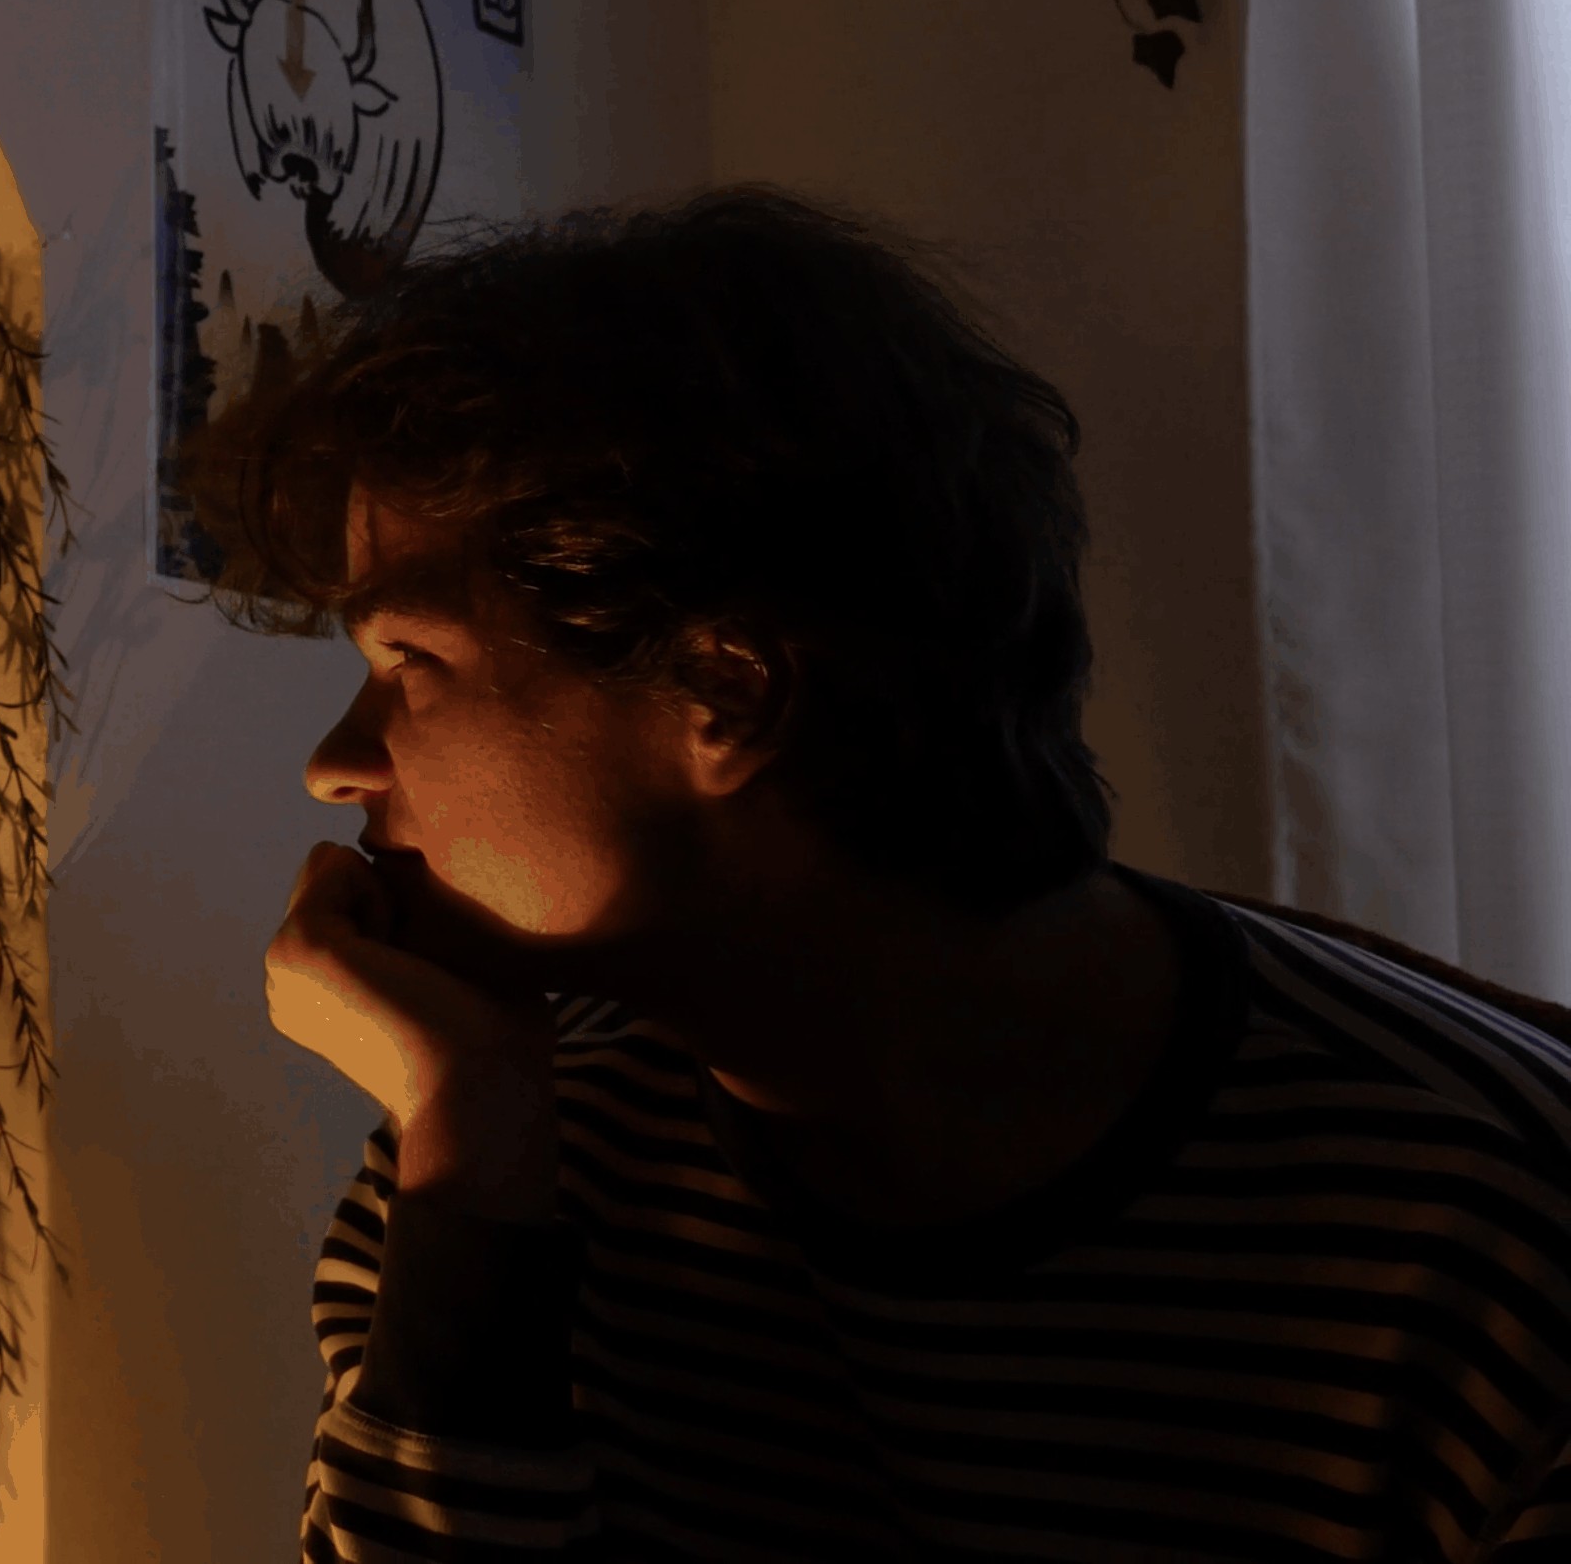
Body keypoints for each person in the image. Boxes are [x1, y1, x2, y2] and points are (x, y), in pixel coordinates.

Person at [189, 189, 1571, 1560]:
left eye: (404, 667)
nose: (336, 763)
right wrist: (471, 1145)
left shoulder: (1493, 1233)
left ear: (723, 692)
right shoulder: (491, 1153)